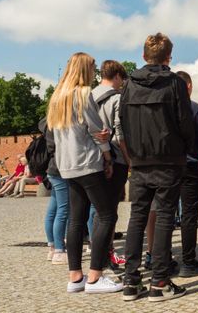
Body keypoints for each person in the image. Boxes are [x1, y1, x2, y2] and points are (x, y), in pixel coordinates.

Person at [120, 33, 194, 302]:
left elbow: (123, 121)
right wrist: (185, 147)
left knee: (137, 218)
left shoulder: (128, 84)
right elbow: (186, 123)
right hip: (168, 159)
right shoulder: (174, 83)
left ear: (143, 56)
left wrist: (132, 152)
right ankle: (160, 282)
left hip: (139, 160)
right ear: (168, 58)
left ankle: (131, 281)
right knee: (164, 217)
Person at [47, 52, 122, 294]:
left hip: (66, 164)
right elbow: (97, 130)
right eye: (92, 67)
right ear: (83, 70)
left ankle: (75, 276)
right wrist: (108, 154)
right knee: (107, 215)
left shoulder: (57, 97)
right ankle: (95, 276)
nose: (95, 71)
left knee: (76, 219)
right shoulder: (82, 94)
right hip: (88, 163)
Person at [88, 60, 130, 270]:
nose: (122, 84)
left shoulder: (89, 95)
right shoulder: (117, 98)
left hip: (92, 158)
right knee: (109, 212)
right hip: (114, 158)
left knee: (99, 210)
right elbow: (120, 133)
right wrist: (128, 159)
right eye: (122, 79)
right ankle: (106, 256)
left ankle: (99, 253)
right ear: (116, 76)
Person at [175, 71, 198, 278]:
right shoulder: (195, 109)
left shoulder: (165, 108)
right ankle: (188, 262)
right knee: (189, 216)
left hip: (167, 166)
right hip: (190, 165)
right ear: (188, 86)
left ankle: (158, 260)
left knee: (164, 214)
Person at [42, 118, 69, 265]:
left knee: (53, 209)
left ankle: (52, 247)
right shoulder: (60, 121)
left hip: (53, 169)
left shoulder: (48, 121)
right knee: (64, 210)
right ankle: (59, 250)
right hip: (61, 169)